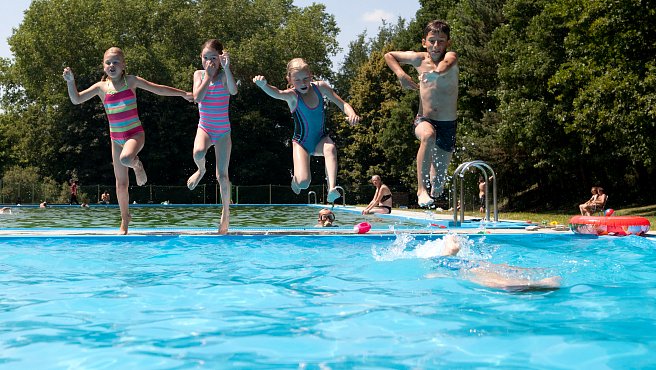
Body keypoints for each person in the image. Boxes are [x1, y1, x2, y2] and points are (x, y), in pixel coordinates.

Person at [63, 47, 193, 234]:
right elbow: (76, 99)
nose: (112, 65)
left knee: (126, 159)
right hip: (116, 140)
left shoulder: (130, 81)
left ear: (123, 65)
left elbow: (157, 89)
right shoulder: (101, 88)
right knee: (121, 183)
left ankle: (138, 165)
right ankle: (125, 219)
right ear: (103, 66)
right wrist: (70, 82)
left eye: (116, 62)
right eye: (108, 62)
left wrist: (182, 93)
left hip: (135, 135)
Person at [253, 58, 360, 203]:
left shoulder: (320, 87)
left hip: (320, 139)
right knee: (304, 183)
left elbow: (342, 104)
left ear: (310, 75)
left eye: (305, 78)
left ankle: (332, 188)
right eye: (297, 80)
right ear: (289, 80)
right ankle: (295, 180)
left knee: (330, 148)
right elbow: (277, 92)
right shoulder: (292, 96)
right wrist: (264, 86)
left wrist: (351, 114)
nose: (302, 83)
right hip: (301, 143)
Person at [384, 20, 459, 208]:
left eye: (441, 41)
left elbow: (446, 65)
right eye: (432, 41)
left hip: (448, 124)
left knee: (439, 184)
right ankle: (420, 190)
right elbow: (389, 55)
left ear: (448, 42)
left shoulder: (450, 57)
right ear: (424, 42)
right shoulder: (418, 59)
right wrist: (401, 75)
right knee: (427, 135)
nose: (436, 46)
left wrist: (435, 73)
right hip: (424, 119)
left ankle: (433, 189)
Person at [186, 39, 238, 234]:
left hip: (223, 131)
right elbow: (197, 97)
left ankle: (226, 213)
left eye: (213, 58)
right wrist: (207, 77)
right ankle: (200, 170)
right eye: (206, 58)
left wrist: (228, 68)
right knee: (198, 152)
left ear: (221, 58)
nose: (210, 61)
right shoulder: (199, 75)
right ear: (201, 59)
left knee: (222, 176)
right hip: (205, 127)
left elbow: (233, 90)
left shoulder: (225, 76)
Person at [435, 234, 561, 292]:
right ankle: (450, 244)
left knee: (480, 270)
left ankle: (450, 244)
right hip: (473, 266)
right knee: (487, 271)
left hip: (464, 266)